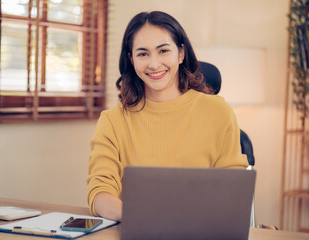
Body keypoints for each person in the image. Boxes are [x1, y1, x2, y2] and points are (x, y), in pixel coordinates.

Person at [86, 11, 248, 221]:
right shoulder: (113, 120)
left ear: (181, 53)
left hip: (202, 229)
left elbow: (232, 189)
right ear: (131, 59)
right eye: (143, 54)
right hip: (139, 229)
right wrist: (145, 218)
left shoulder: (218, 112)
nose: (154, 64)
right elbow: (99, 192)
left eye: (163, 51)